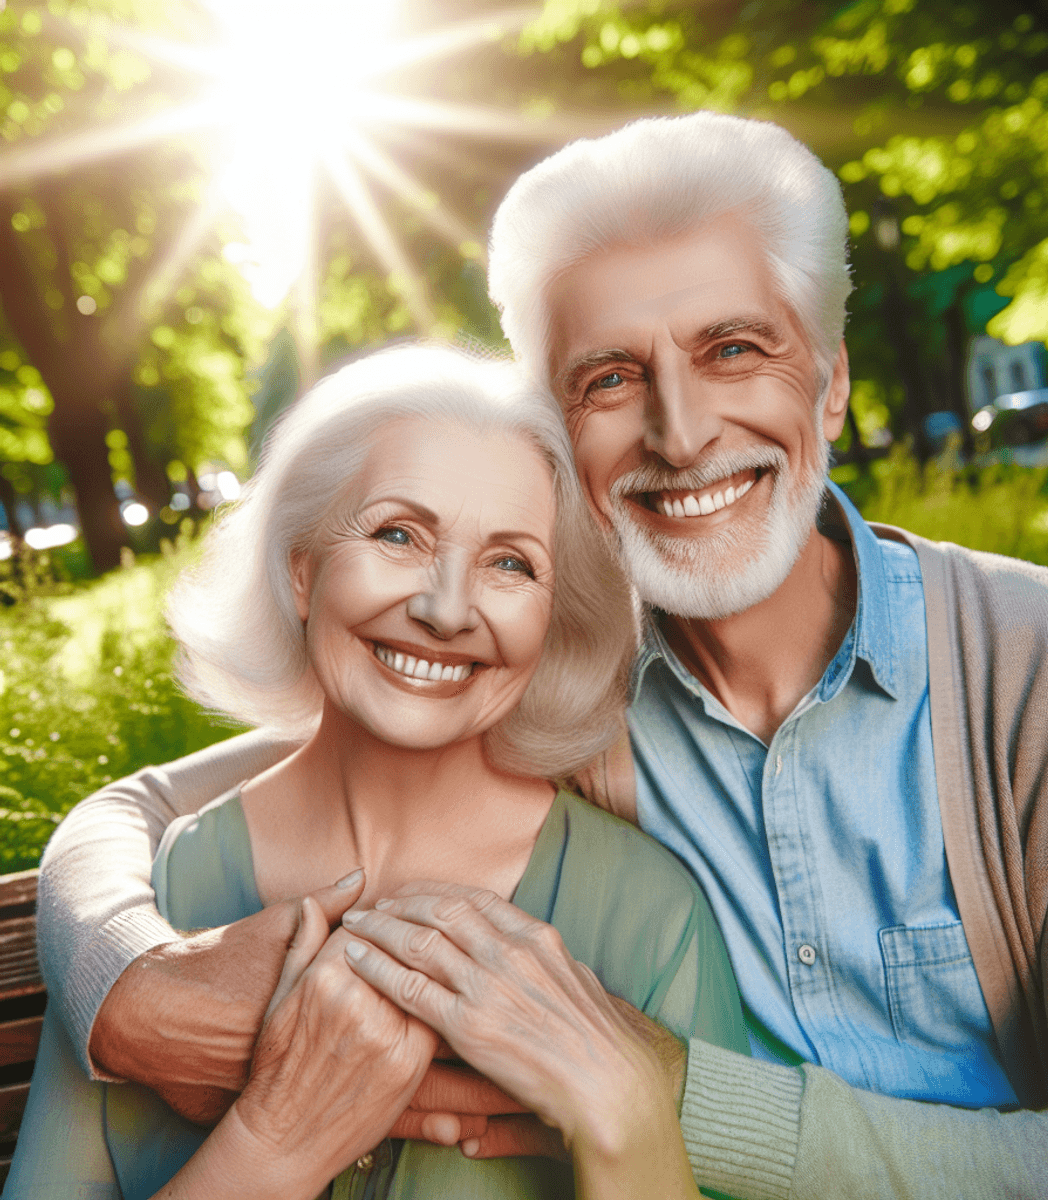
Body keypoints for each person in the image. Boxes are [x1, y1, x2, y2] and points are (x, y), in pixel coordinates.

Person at [33, 113, 1048, 1198]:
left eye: (733, 349)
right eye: (611, 377)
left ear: (832, 384)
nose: (681, 433)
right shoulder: (552, 684)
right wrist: (123, 976)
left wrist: (669, 1096)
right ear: (558, 437)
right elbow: (181, 798)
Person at [5, 343, 749, 1198]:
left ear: (552, 619)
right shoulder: (159, 903)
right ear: (302, 571)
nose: (446, 609)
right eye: (398, 534)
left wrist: (625, 1121)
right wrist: (271, 1146)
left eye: (511, 563)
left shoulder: (651, 918)